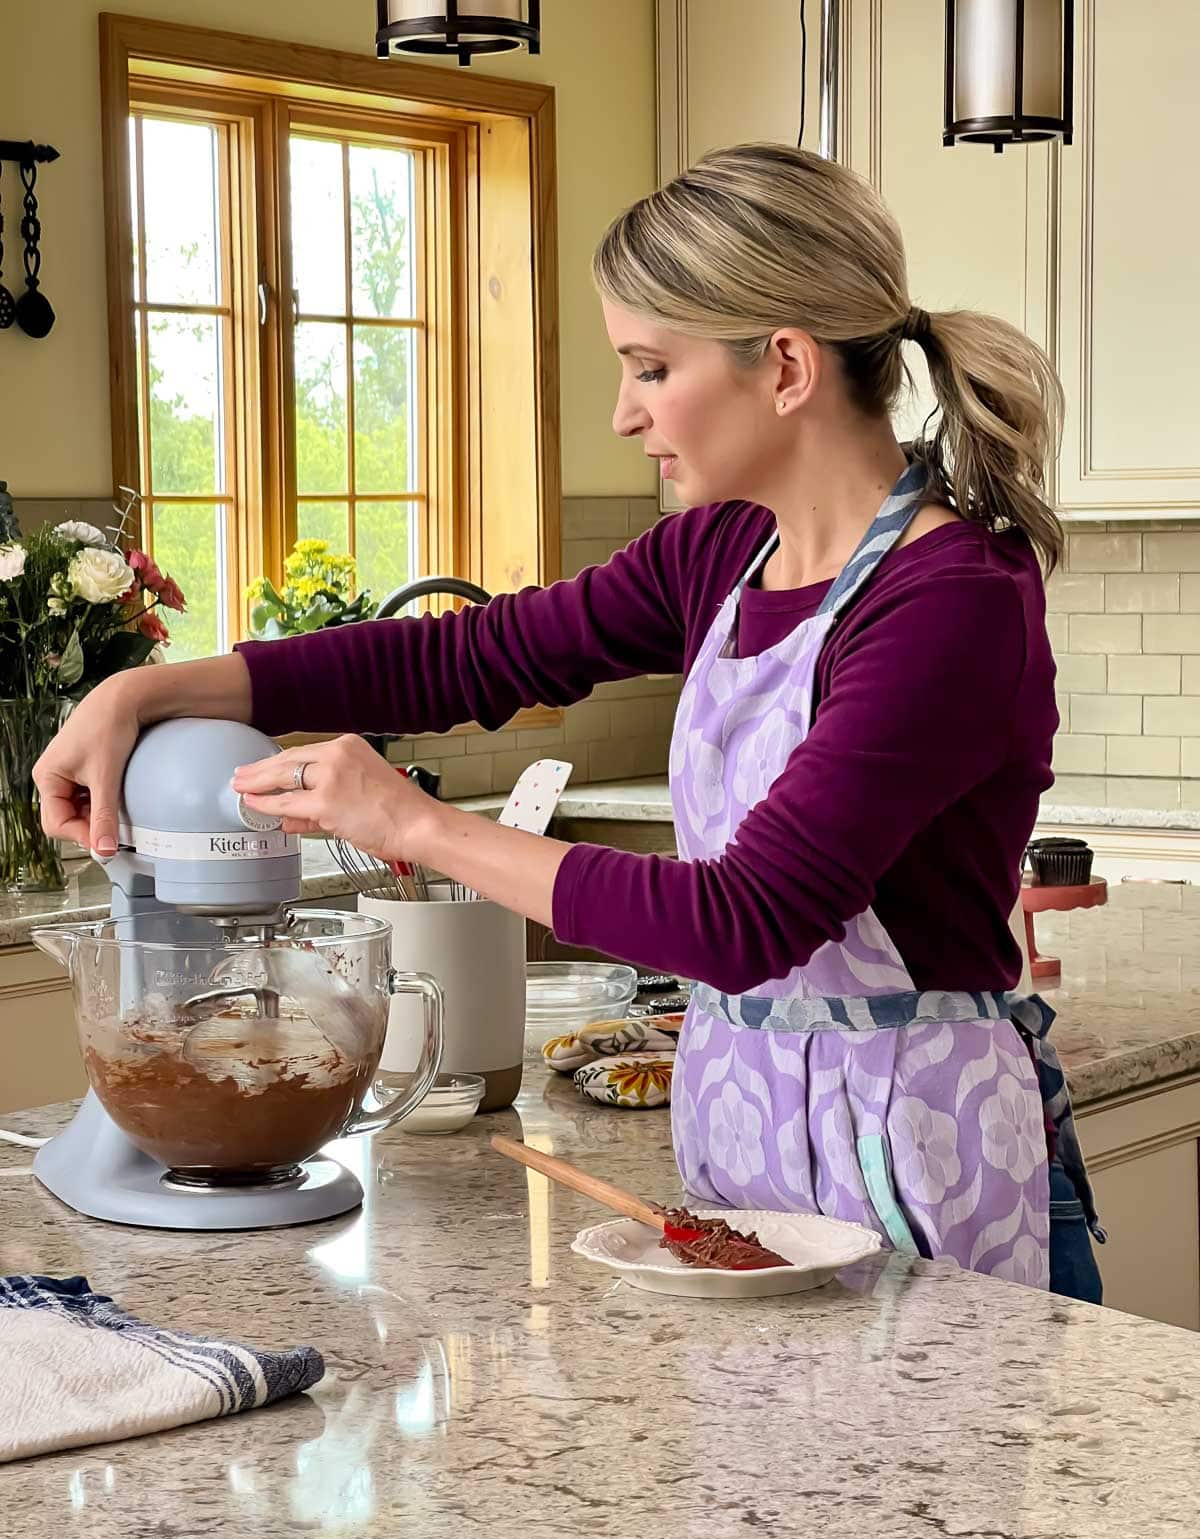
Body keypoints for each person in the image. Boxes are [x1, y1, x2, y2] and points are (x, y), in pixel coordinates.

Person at [35, 144, 1102, 1299]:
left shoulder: (951, 601)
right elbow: (468, 657)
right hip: (747, 1143)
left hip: (916, 1154)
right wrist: (144, 690)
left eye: (651, 367)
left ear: (787, 366)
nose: (625, 413)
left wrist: (412, 823)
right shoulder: (724, 550)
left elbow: (744, 920)